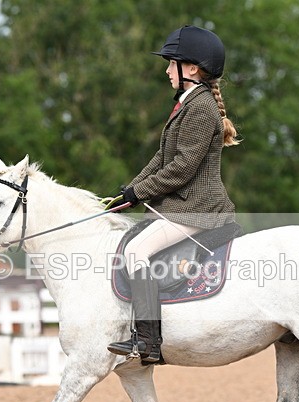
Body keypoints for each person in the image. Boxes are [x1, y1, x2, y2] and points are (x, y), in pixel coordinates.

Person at [107, 25, 240, 363]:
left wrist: (140, 192)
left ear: (192, 68)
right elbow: (161, 158)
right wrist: (129, 191)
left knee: (136, 251)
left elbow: (182, 168)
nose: (167, 71)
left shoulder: (200, 107)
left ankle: (148, 341)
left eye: (171, 65)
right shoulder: (188, 103)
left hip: (198, 208)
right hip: (184, 206)